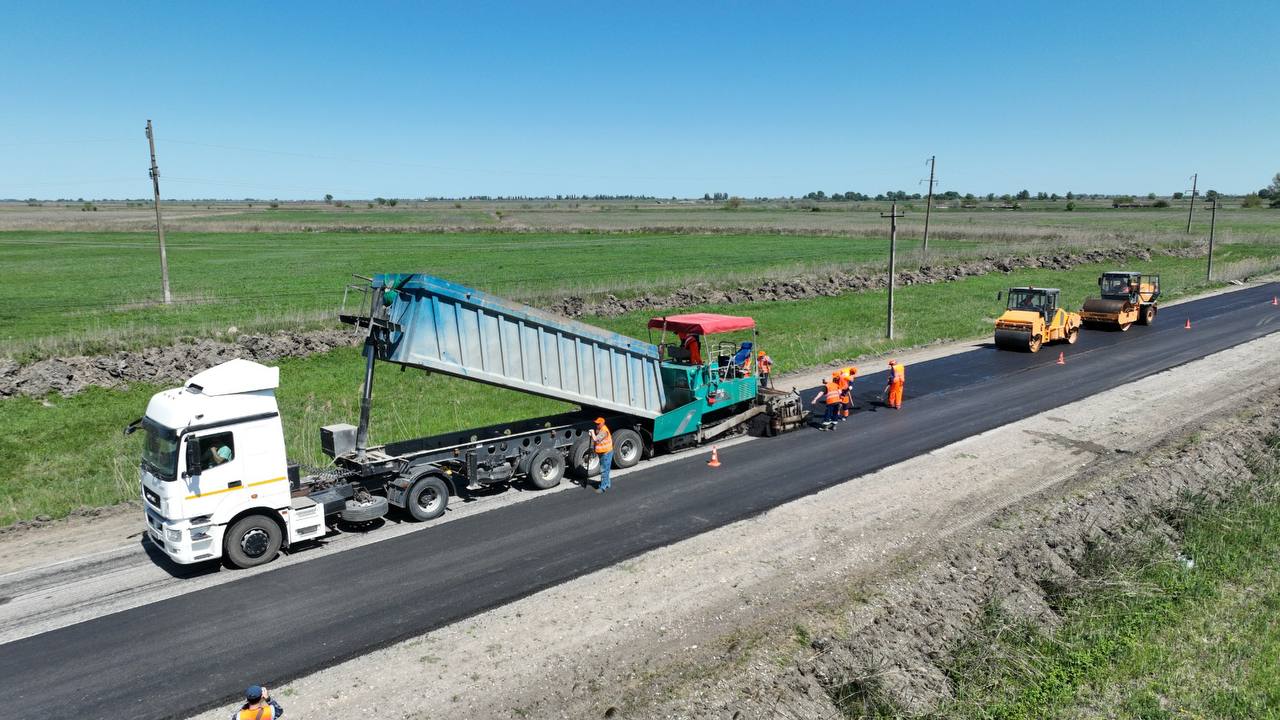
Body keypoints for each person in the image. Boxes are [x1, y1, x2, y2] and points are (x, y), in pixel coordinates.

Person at [590, 417, 613, 492]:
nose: (597, 425)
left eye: (598, 423)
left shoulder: (604, 431)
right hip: (604, 452)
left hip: (606, 453)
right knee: (606, 469)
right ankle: (607, 484)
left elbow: (596, 439)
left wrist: (592, 433)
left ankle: (602, 487)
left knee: (604, 470)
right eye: (596, 423)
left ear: (603, 423)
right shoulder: (600, 429)